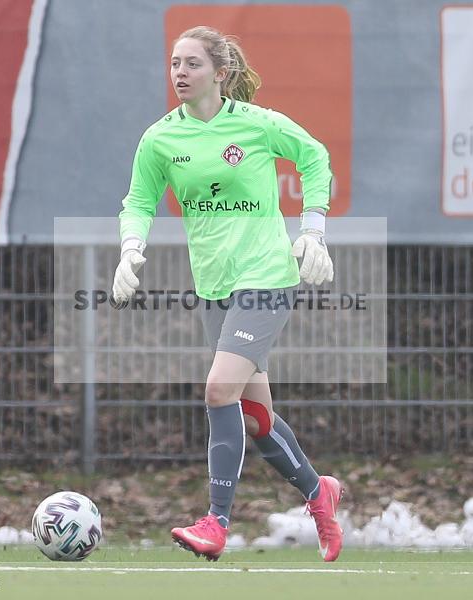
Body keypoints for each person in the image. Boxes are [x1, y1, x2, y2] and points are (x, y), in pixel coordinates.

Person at [111, 26, 342, 562]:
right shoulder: (160, 138)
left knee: (218, 391)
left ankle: (216, 523)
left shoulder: (258, 125)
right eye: (174, 64)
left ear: (221, 73)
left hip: (266, 275)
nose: (180, 74)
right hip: (212, 286)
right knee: (255, 419)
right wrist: (128, 248)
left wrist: (312, 230)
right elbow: (139, 200)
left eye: (191, 64)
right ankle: (319, 493)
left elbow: (315, 157)